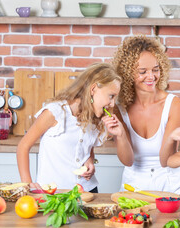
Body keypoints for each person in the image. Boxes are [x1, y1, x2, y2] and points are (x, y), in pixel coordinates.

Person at [17, 63, 123, 193]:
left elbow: (85, 146)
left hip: (87, 191)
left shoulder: (95, 117)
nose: (112, 103)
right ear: (93, 89)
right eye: (111, 96)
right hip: (54, 193)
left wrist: (89, 161)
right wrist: (28, 184)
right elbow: (23, 146)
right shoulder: (55, 112)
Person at [110, 35, 180, 194]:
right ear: (127, 73)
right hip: (134, 184)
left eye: (156, 69)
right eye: (142, 71)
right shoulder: (119, 109)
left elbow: (166, 160)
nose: (151, 77)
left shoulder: (174, 105)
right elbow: (127, 160)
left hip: (172, 183)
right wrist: (120, 135)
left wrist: (171, 137)